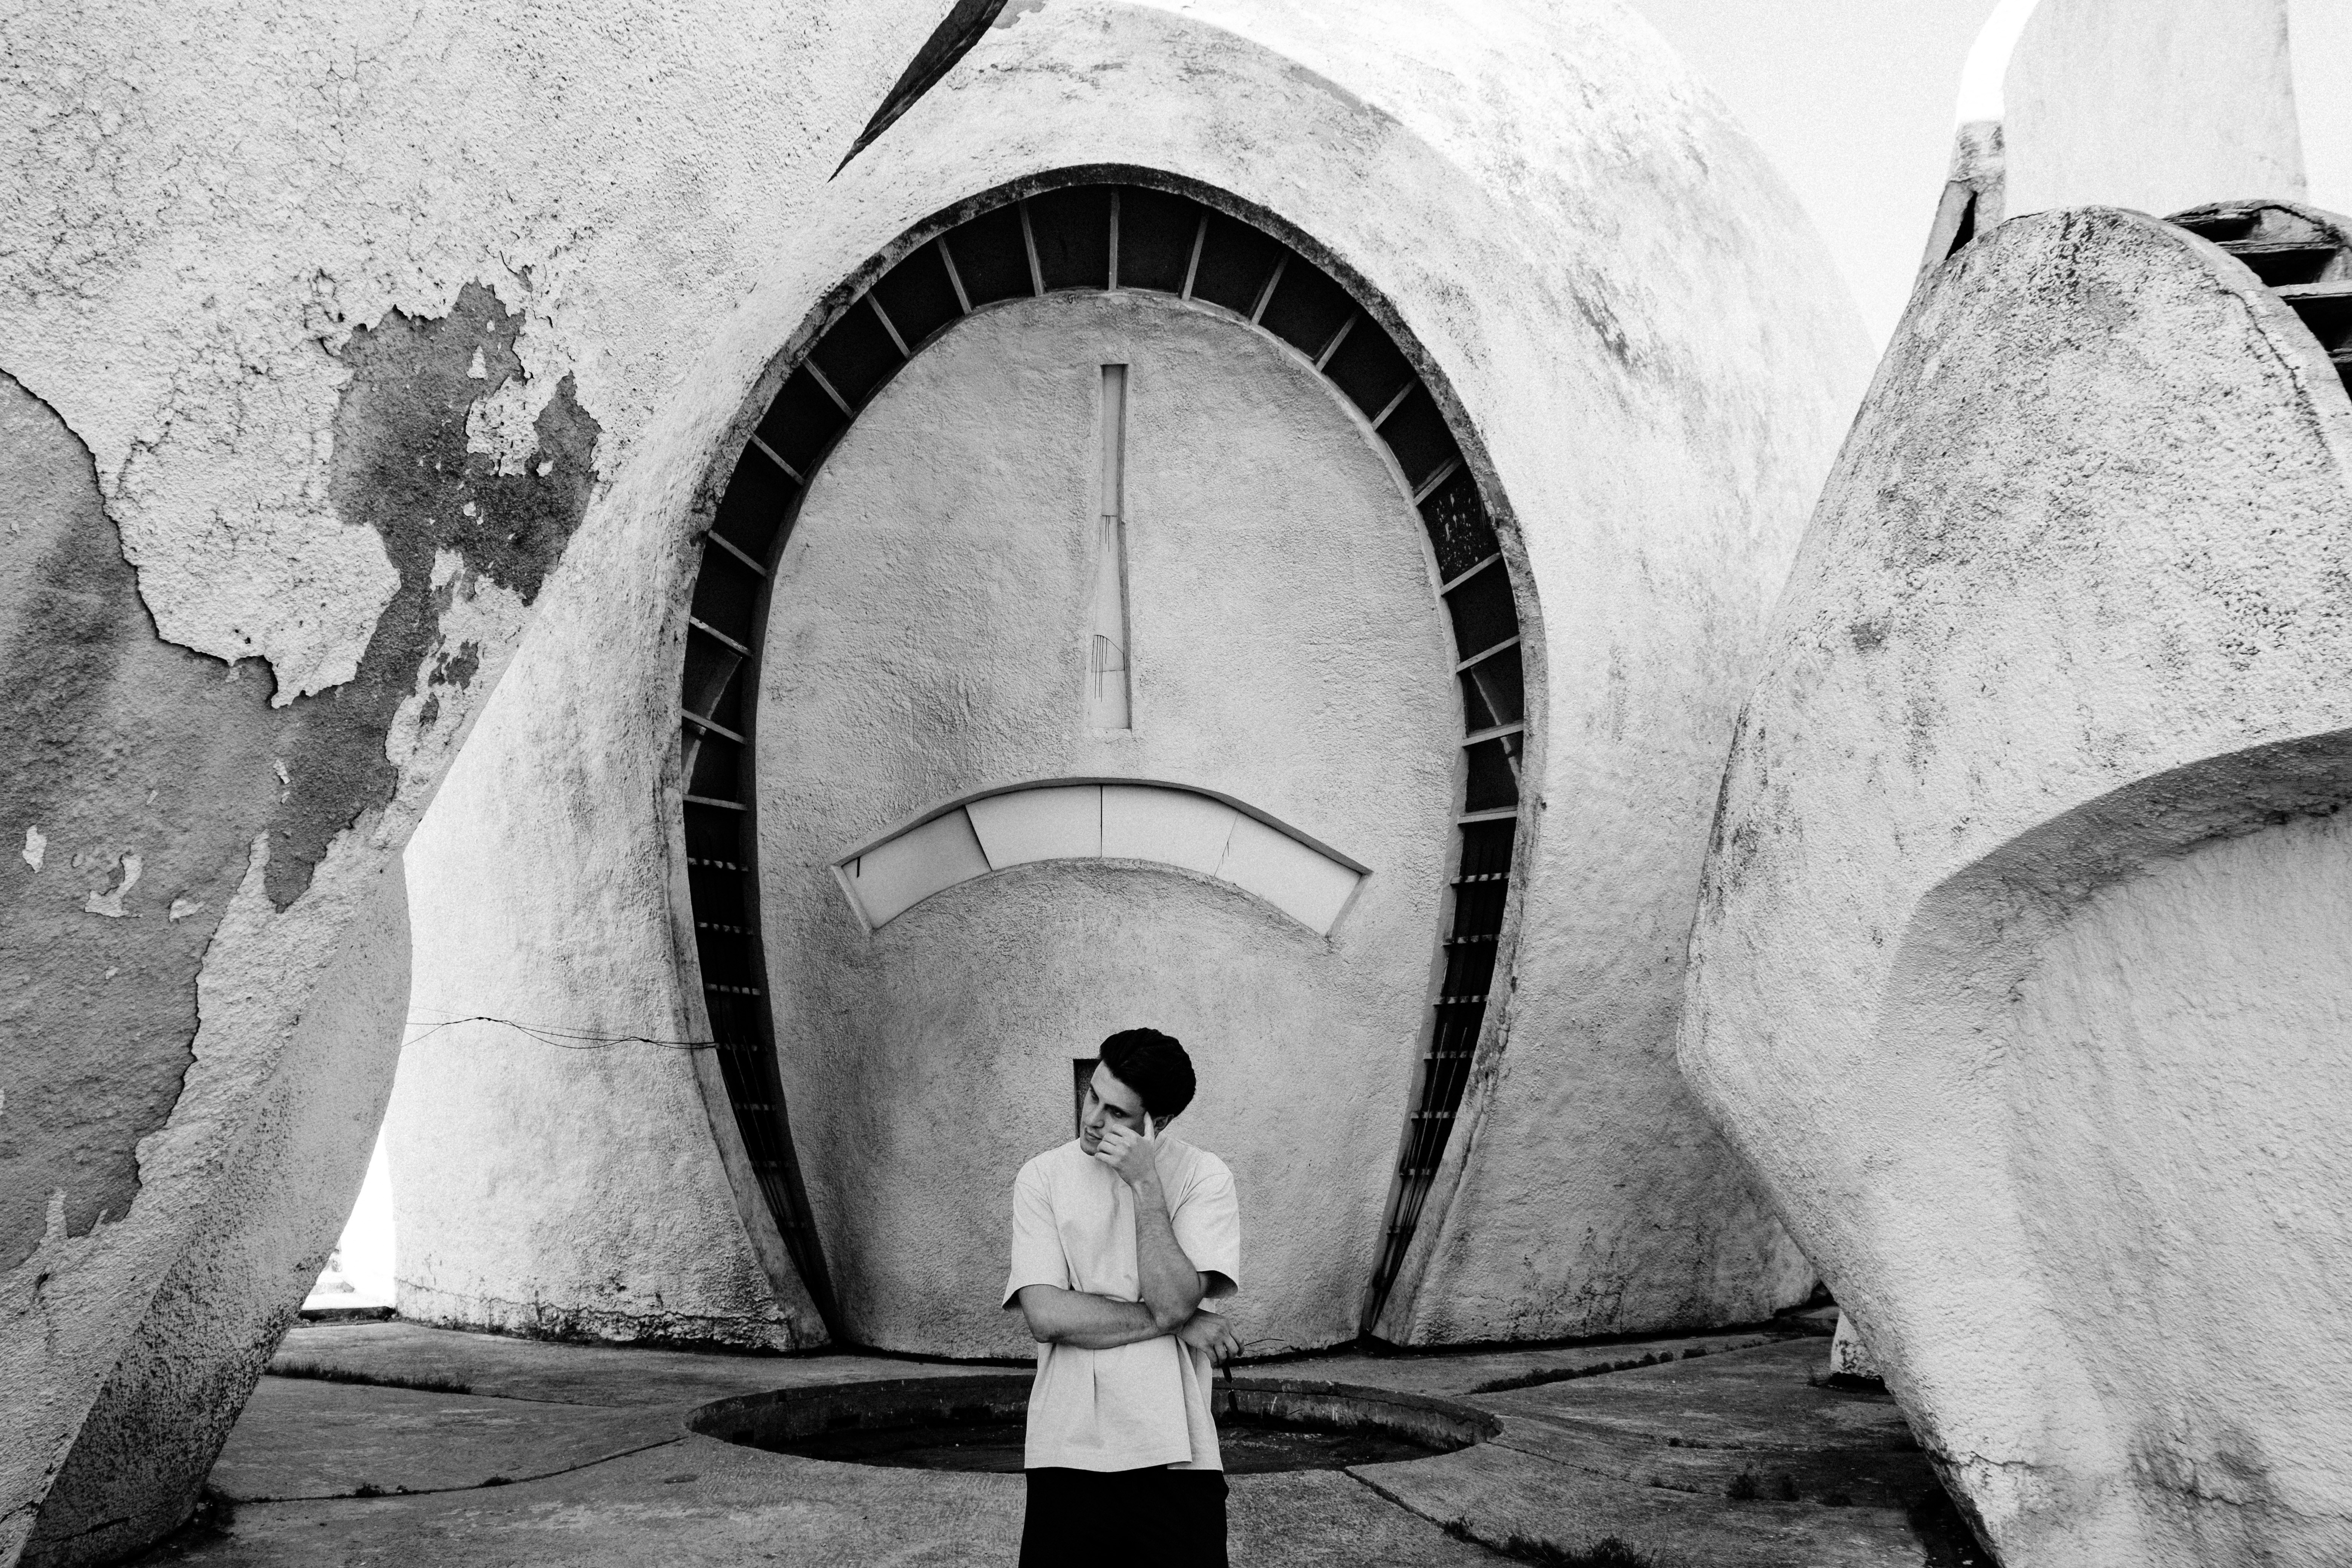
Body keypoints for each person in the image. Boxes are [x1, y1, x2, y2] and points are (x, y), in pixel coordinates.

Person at [1004, 1027, 1244, 1568]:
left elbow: (1176, 1297)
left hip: (1179, 1452)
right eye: (1093, 1095)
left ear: (1157, 1123)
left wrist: (1145, 1185)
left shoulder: (1204, 1176)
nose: (1093, 1119)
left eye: (1117, 1113)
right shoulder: (1042, 1177)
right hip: (1067, 1447)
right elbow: (1046, 1315)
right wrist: (1180, 1323)